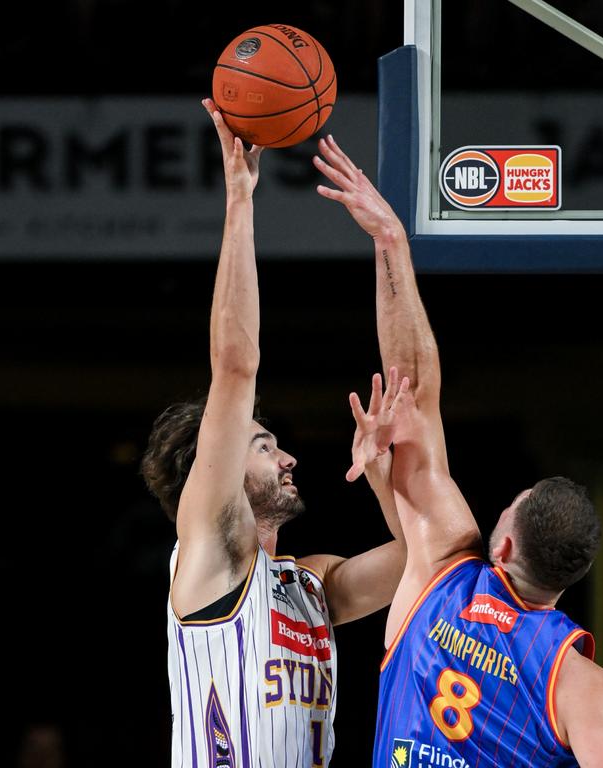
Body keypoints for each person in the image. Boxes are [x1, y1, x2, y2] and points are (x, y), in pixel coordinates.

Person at [314, 135, 603, 768]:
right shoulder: (582, 687)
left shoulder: (442, 569)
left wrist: (391, 243)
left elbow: (411, 385)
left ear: (505, 545)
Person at [140, 101, 408, 768]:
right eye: (263, 445)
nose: (288, 456)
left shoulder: (309, 585)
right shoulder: (209, 557)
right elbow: (235, 365)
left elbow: (422, 559)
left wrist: (383, 480)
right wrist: (239, 201)